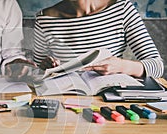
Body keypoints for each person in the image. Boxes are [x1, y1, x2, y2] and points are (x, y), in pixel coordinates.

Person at [33, 0, 164, 78]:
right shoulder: (44, 19)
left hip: (110, 99)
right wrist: (46, 66)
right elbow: (36, 69)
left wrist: (122, 66)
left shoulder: (122, 9)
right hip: (66, 99)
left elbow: (157, 67)